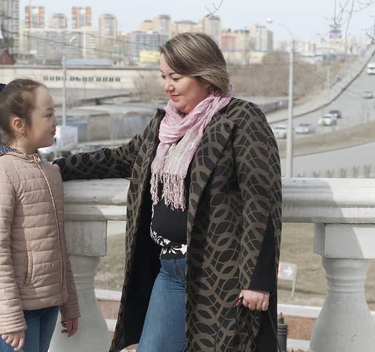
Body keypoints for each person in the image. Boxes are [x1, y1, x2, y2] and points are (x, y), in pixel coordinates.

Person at [55, 32, 282, 352]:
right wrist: (57, 168)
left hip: (221, 274)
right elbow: (121, 159)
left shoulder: (241, 120)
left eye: (176, 77)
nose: (167, 86)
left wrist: (257, 280)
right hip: (170, 268)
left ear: (205, 75)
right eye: (164, 77)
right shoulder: (165, 124)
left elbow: (261, 199)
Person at [0, 79, 80, 352]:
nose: (56, 120)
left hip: (48, 301)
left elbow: (58, 246)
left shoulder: (50, 172)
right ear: (19, 125)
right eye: (48, 114)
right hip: (16, 308)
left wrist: (70, 304)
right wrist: (9, 317)